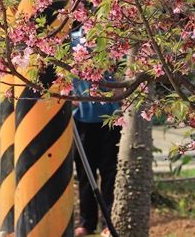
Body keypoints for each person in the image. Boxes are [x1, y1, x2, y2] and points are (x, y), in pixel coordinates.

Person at [72, 30, 121, 237]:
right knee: (85, 173)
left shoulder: (116, 38)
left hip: (112, 119)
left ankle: (109, 223)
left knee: (110, 173)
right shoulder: (71, 41)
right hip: (83, 118)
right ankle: (87, 222)